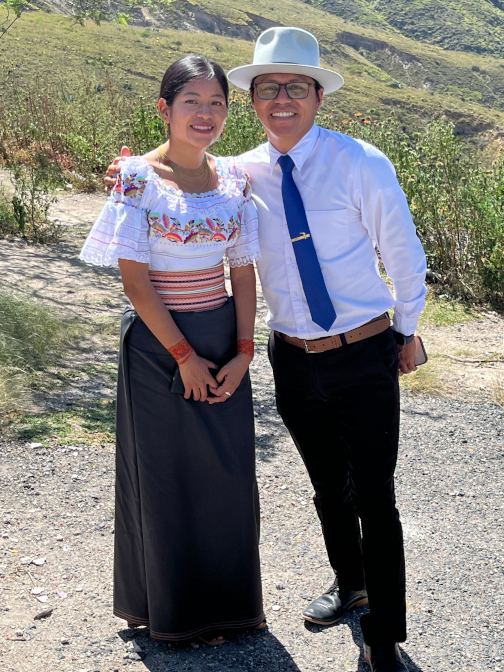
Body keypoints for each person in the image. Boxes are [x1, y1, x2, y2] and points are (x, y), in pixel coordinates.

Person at [105, 28, 427, 671]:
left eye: (297, 88)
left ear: (317, 96)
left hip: (363, 350)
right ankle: (351, 584)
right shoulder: (240, 171)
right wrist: (129, 169)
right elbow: (175, 171)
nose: (283, 99)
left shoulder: (362, 163)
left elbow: (404, 254)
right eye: (268, 88)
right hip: (292, 355)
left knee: (375, 494)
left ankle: (385, 632)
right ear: (252, 100)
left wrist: (407, 329)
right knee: (326, 488)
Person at [80, 55, 266, 645]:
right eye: (192, 102)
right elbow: (136, 283)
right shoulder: (136, 178)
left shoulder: (235, 179)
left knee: (229, 474)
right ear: (165, 109)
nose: (205, 114)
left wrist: (243, 353)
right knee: (165, 479)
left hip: (223, 339)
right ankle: (174, 615)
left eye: (216, 103)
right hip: (161, 347)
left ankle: (233, 609)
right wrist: (185, 357)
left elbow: (242, 271)